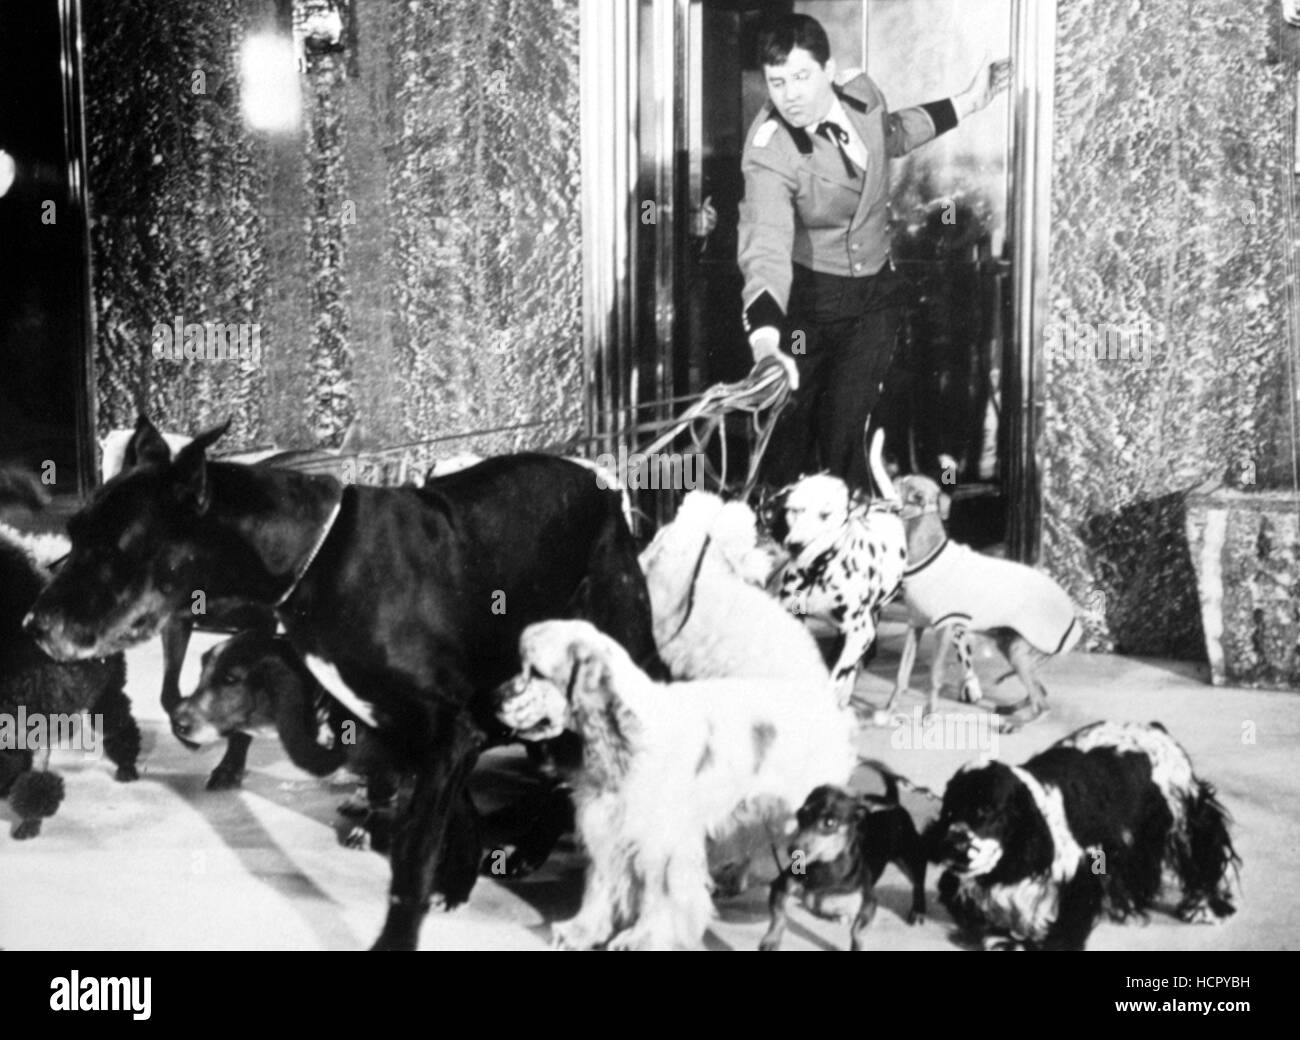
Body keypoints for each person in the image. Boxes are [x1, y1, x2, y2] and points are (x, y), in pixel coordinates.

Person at [738, 13, 1010, 490]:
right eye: (776, 82)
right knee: (787, 440)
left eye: (801, 77)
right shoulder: (769, 150)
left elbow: (893, 135)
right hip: (808, 307)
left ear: (829, 70)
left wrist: (968, 103)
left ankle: (859, 552)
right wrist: (766, 344)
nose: (789, 95)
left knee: (849, 435)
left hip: (874, 301)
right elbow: (765, 245)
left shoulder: (862, 95)